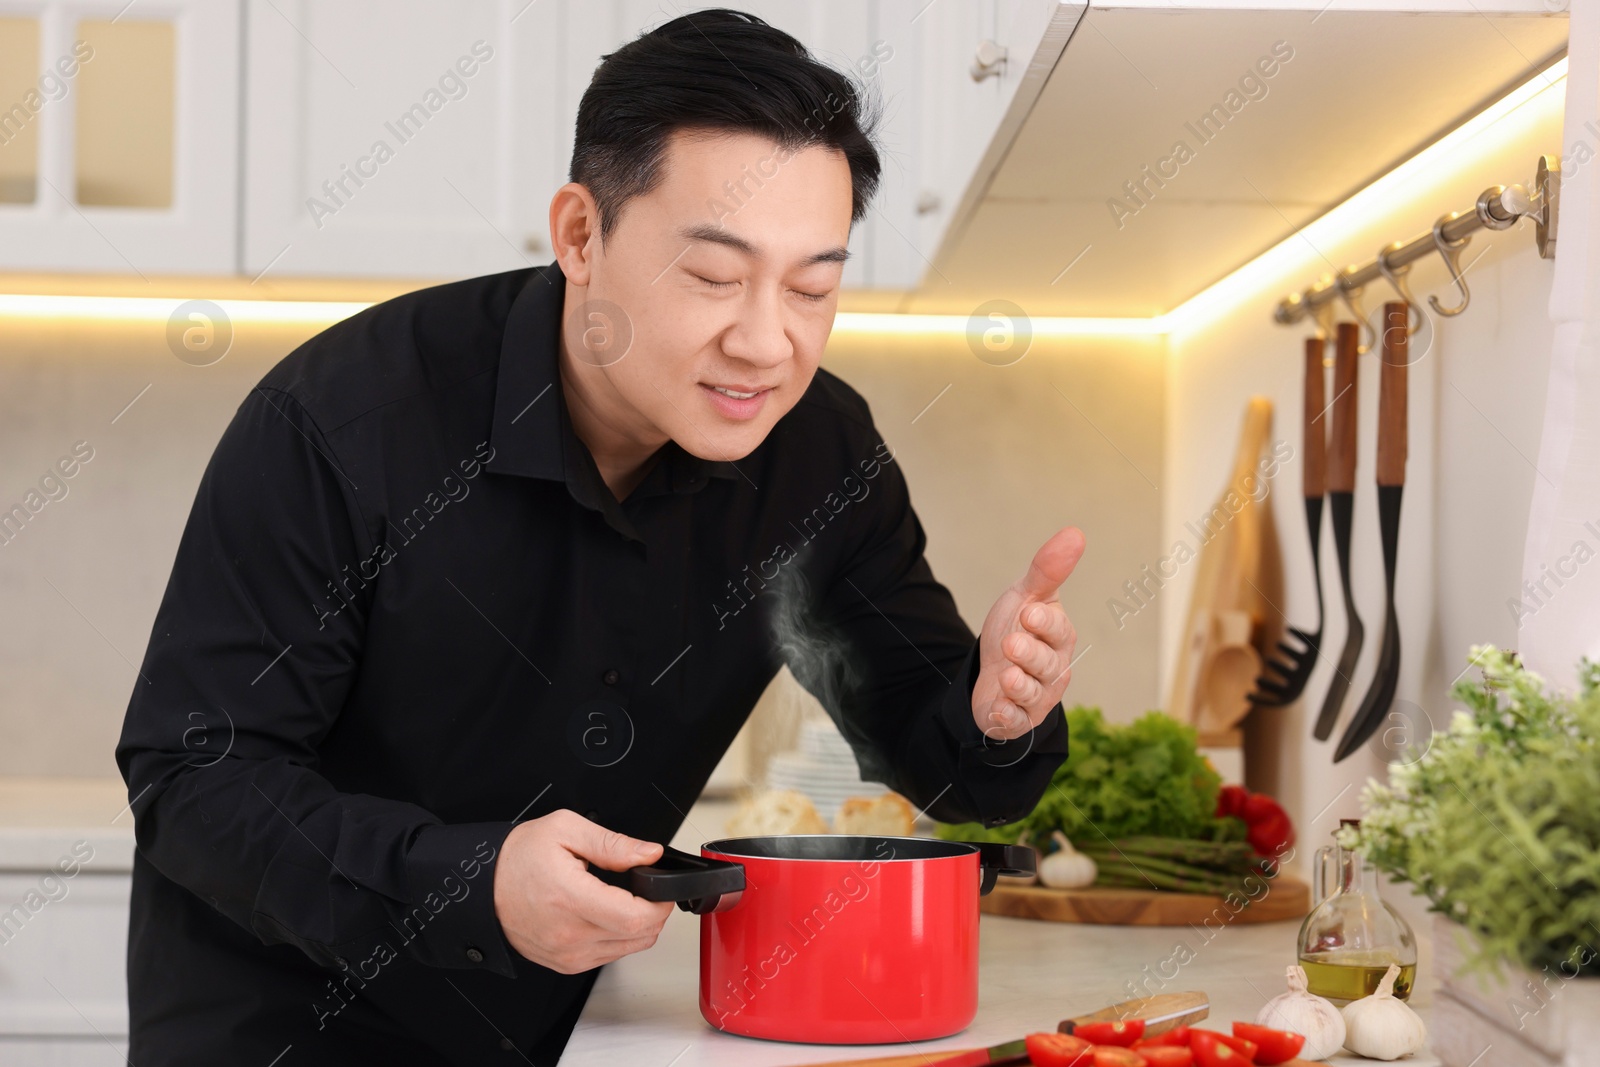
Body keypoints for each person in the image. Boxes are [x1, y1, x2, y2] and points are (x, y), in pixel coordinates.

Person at [115, 9, 1083, 1065]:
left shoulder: (818, 453)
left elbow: (937, 753)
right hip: (280, 1028)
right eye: (714, 276)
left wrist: (995, 715)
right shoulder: (345, 420)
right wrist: (471, 882)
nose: (767, 341)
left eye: (813, 285)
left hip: (544, 1030)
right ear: (581, 234)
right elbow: (195, 780)